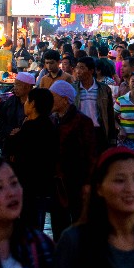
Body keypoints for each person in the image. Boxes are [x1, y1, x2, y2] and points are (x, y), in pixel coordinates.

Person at [48, 80, 98, 239]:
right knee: (58, 224)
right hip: (57, 182)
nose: (50, 100)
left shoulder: (82, 121)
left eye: (53, 96)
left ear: (64, 99)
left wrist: (88, 183)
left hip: (76, 180)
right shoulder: (52, 120)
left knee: (78, 223)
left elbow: (91, 154)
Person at [4, 88, 58, 230]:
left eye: (28, 101)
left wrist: (14, 136)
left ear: (33, 104)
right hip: (42, 183)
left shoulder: (31, 127)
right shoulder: (48, 125)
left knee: (28, 222)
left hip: (29, 183)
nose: (25, 104)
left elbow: (12, 148)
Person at [74, 56, 117, 153]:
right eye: (77, 67)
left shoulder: (104, 89)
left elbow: (109, 114)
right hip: (79, 132)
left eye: (82, 68)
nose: (78, 71)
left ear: (91, 70)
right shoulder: (73, 89)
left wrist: (112, 139)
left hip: (98, 132)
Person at [0, 71, 35, 157]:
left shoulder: (35, 104)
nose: (15, 88)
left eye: (18, 85)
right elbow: (1, 121)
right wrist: (10, 131)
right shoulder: (10, 102)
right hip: (9, 145)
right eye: (15, 85)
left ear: (28, 87)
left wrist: (22, 132)